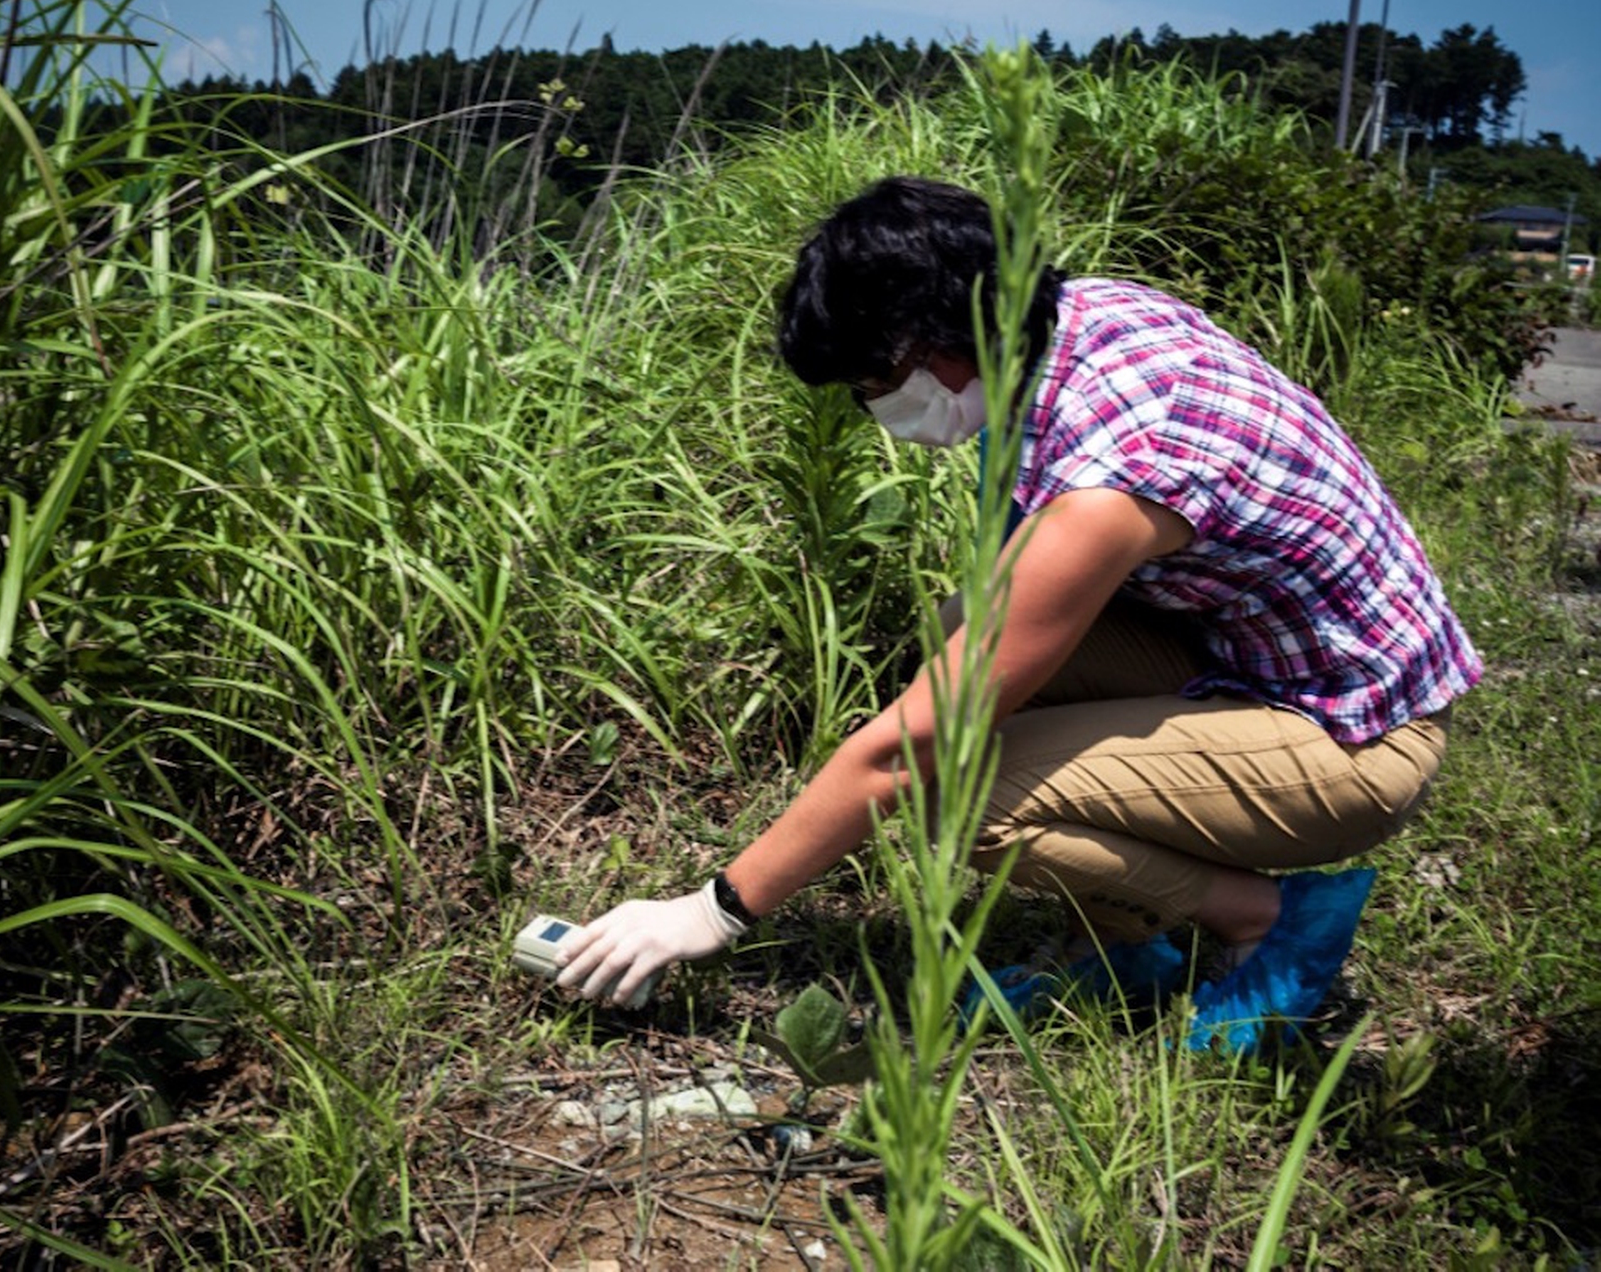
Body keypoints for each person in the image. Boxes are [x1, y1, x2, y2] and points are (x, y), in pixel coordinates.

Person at [553, 177, 1480, 1053]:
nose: (875, 406)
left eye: (873, 381)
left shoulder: (1114, 477)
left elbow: (907, 749)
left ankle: (1265, 919)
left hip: (1355, 740)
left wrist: (712, 910)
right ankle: (1131, 935)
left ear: (937, 342)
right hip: (1257, 658)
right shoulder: (1073, 322)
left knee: (954, 791)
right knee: (961, 631)